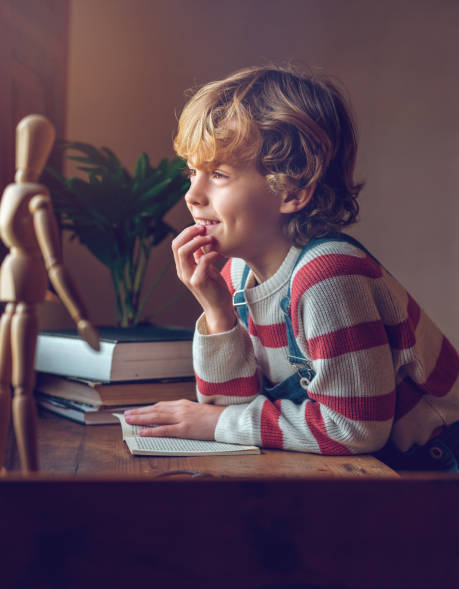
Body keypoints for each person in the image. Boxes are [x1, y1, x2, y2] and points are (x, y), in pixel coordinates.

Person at [125, 65, 459, 470]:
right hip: (376, 470)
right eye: (192, 172)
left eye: (218, 174)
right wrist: (217, 314)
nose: (193, 195)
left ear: (292, 189)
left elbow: (354, 428)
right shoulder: (236, 276)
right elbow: (233, 412)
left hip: (438, 469)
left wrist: (216, 423)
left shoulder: (329, 277)